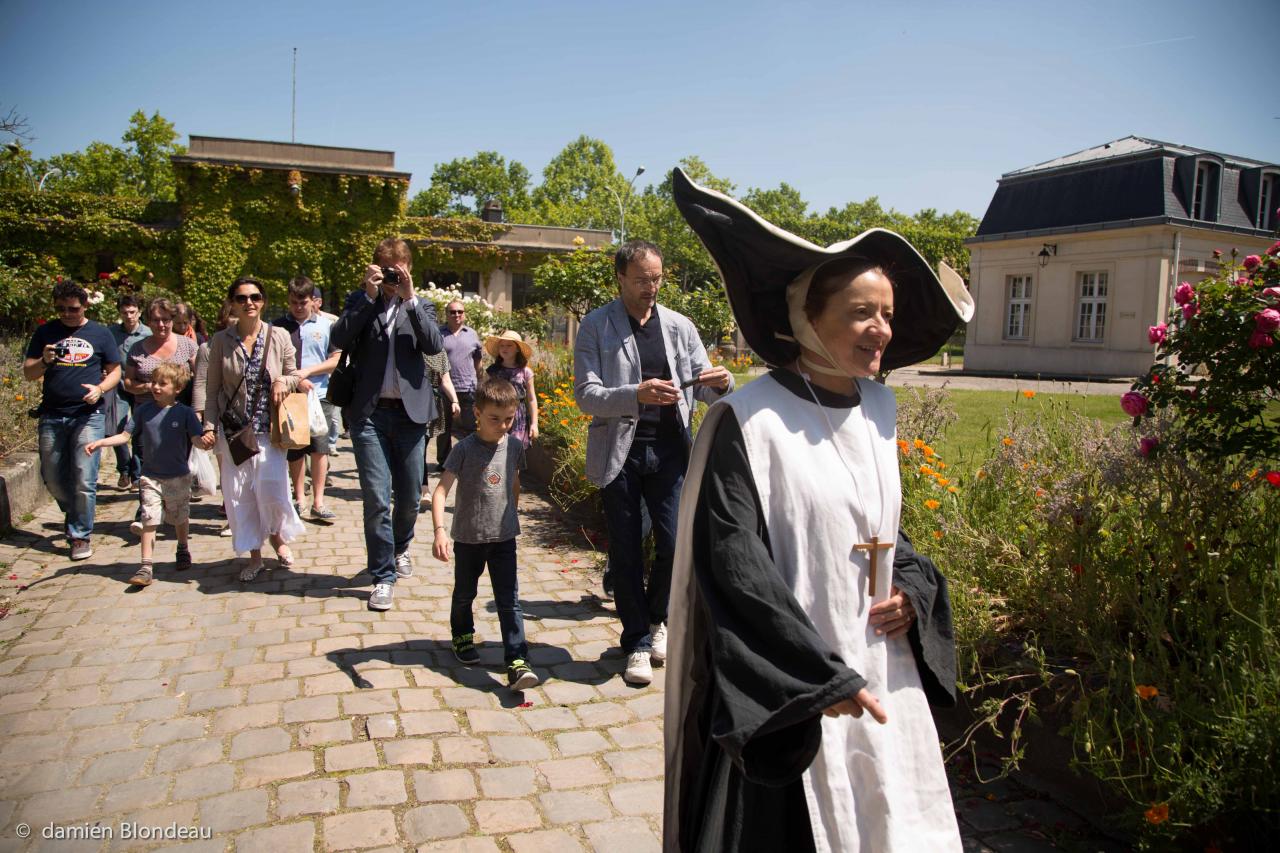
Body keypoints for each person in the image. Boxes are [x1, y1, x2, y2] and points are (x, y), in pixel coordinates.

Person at [662, 168, 974, 851]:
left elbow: (881, 529)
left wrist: (914, 591)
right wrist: (810, 677)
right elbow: (733, 562)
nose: (881, 329)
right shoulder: (747, 421)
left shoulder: (881, 409)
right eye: (863, 312)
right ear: (808, 316)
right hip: (790, 703)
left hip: (882, 682)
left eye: (888, 313)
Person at [573, 239, 733, 685]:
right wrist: (634, 395)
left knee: (674, 543)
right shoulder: (596, 325)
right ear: (620, 277)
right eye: (642, 279)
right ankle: (637, 641)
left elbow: (702, 385)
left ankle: (658, 618)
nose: (651, 287)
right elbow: (585, 395)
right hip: (619, 453)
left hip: (670, 451)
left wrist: (721, 382)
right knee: (624, 551)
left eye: (657, 278)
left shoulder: (680, 326)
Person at [330, 238, 443, 611]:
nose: (393, 275)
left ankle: (400, 547)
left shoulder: (421, 304)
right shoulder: (361, 300)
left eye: (399, 268)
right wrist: (367, 295)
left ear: (409, 268)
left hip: (411, 415)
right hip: (370, 414)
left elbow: (432, 346)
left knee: (410, 496)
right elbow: (339, 337)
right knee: (377, 498)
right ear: (376, 267)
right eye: (387, 268)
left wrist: (409, 299)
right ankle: (382, 576)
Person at [194, 277, 305, 582]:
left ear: (263, 301)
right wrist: (208, 425)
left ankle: (277, 536)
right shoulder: (220, 341)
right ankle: (254, 554)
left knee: (271, 489)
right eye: (241, 298)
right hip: (234, 431)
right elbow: (213, 386)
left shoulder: (279, 336)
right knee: (241, 495)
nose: (249, 303)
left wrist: (285, 380)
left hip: (271, 429)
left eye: (255, 297)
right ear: (232, 303)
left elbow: (294, 373)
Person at [431, 378, 538, 690]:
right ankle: (462, 635)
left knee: (509, 600)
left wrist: (512, 515)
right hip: (468, 538)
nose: (503, 426)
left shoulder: (515, 447)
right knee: (465, 593)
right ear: (476, 412)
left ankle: (518, 660)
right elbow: (440, 493)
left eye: (509, 419)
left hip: (503, 539)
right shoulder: (464, 450)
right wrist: (440, 531)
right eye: (495, 419)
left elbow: (513, 482)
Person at [22, 280, 122, 560]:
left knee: (84, 478)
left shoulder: (100, 334)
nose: (67, 313)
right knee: (52, 477)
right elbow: (29, 373)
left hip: (88, 416)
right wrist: (43, 361)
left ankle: (79, 535)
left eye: (73, 309)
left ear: (85, 306)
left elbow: (115, 370)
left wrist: (100, 389)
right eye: (61, 309)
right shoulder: (46, 332)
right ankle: (75, 514)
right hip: (52, 414)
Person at [86, 362, 203, 586]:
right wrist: (101, 442)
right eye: (154, 383)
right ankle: (146, 566)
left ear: (177, 388)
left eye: (162, 383)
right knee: (148, 518)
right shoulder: (143, 411)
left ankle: (182, 548)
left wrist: (206, 441)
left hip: (178, 476)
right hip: (150, 477)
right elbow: (124, 436)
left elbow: (197, 440)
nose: (155, 387)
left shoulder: (185, 413)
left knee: (180, 517)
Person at [273, 276, 340, 520]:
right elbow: (273, 362)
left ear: (313, 301)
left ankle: (319, 501)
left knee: (320, 449)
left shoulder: (326, 326)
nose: (298, 307)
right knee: (296, 450)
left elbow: (335, 360)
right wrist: (295, 379)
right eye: (293, 303)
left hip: (321, 395)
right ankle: (300, 498)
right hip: (290, 396)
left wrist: (308, 373)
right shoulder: (278, 327)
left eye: (303, 302)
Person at [106, 293, 151, 489]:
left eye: (132, 312)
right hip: (118, 387)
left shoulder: (148, 333)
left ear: (139, 312)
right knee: (117, 428)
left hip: (141, 386)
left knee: (140, 432)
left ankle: (138, 473)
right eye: (125, 312)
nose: (129, 316)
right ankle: (124, 469)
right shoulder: (112, 333)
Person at [437, 298, 482, 470]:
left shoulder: (471, 334)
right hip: (445, 389)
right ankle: (444, 461)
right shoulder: (439, 334)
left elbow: (478, 359)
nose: (457, 315)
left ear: (464, 314)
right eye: (453, 312)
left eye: (460, 312)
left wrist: (477, 380)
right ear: (446, 314)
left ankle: (469, 459)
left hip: (468, 387)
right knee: (443, 428)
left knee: (470, 428)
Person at [420, 346, 461, 509]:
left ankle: (420, 487)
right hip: (410, 402)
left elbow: (446, 380)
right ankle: (423, 488)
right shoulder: (410, 347)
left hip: (432, 404)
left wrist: (454, 400)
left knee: (421, 444)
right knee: (418, 446)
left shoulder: (439, 352)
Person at [483, 330, 538, 448]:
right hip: (496, 416)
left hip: (518, 419)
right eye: (502, 345)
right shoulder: (492, 371)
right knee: (494, 451)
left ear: (517, 349)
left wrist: (534, 424)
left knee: (514, 454)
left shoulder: (525, 372)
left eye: (509, 345)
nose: (505, 348)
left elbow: (532, 399)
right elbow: (483, 395)